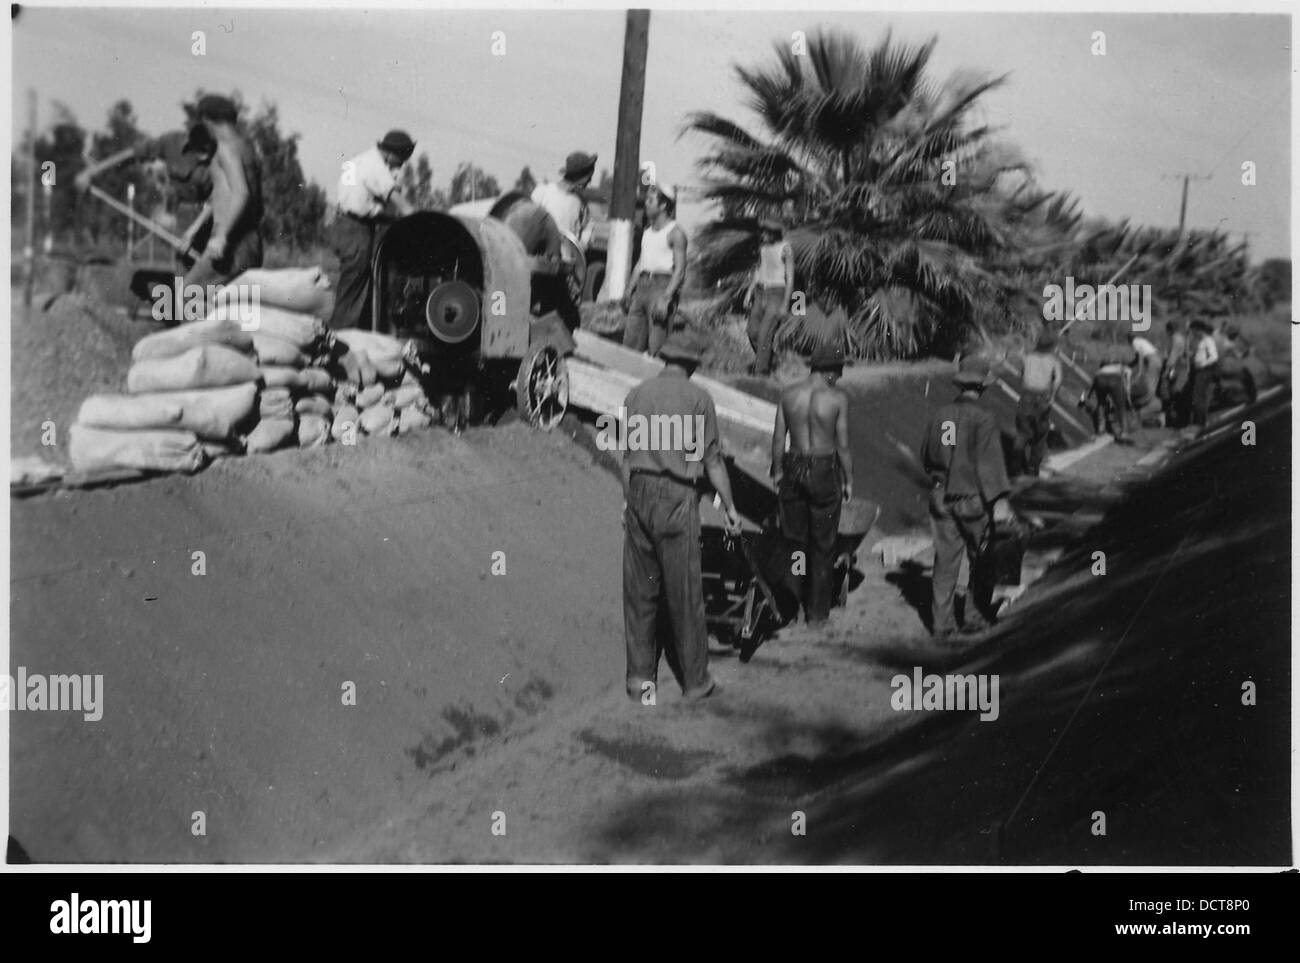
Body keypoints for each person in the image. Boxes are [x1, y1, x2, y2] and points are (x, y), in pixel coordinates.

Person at [621, 330, 741, 703]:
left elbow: (627, 459)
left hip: (640, 489)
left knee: (640, 591)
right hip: (677, 496)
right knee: (685, 593)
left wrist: (629, 503)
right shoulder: (698, 398)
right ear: (690, 364)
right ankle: (695, 682)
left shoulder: (636, 394)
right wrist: (731, 508)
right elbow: (713, 461)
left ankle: (640, 680)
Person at [920, 355, 1014, 640]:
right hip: (972, 498)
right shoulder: (983, 418)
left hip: (941, 495)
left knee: (945, 561)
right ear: (983, 387)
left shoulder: (940, 415)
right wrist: (1000, 502)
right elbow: (990, 465)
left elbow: (926, 456)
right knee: (982, 558)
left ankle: (941, 625)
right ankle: (973, 617)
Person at [771, 342, 853, 625]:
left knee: (794, 542)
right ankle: (816, 615)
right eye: (839, 370)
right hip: (823, 468)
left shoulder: (788, 394)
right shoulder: (837, 398)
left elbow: (779, 439)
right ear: (829, 370)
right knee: (823, 545)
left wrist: (777, 471)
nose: (840, 376)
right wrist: (848, 479)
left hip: (793, 465)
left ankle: (790, 609)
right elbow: (842, 445)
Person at [329, 130, 416, 329]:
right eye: (401, 159)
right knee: (355, 285)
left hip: (345, 223)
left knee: (354, 283)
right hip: (355, 228)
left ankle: (347, 331)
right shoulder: (375, 167)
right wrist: (417, 217)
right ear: (392, 153)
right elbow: (398, 201)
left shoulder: (360, 160)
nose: (401, 165)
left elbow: (359, 198)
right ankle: (342, 334)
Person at [183, 95, 264, 291]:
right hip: (249, 243)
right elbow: (223, 195)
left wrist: (221, 237)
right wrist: (193, 230)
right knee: (221, 307)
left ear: (207, 120)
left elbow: (241, 193)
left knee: (185, 297)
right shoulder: (246, 147)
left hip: (234, 245)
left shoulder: (225, 149)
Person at [530, 151, 596, 331]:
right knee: (530, 311)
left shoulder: (580, 202)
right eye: (589, 177)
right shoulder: (543, 193)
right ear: (580, 176)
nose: (590, 182)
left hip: (563, 271)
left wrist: (582, 242)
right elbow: (528, 223)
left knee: (559, 317)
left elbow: (589, 226)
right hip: (538, 266)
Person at [621, 184, 687, 356]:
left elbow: (680, 271)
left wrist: (666, 298)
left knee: (656, 346)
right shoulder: (647, 232)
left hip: (661, 288)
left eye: (651, 201)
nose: (646, 204)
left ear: (663, 205)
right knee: (630, 344)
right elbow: (641, 263)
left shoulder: (676, 233)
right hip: (642, 287)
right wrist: (629, 290)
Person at [744, 218, 794, 376]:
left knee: (765, 333)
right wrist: (749, 292)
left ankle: (760, 372)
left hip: (777, 293)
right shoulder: (763, 248)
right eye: (762, 231)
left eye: (766, 232)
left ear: (773, 234)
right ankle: (769, 358)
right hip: (760, 292)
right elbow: (759, 271)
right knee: (752, 330)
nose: (763, 234)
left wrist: (786, 304)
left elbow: (790, 278)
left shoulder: (786, 248)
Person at [1016, 329, 1063, 475]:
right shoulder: (1054, 360)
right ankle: (1032, 467)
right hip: (1043, 396)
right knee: (1041, 433)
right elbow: (1058, 380)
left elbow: (1021, 375)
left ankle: (1016, 465)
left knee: (1022, 431)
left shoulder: (1028, 357)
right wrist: (1053, 395)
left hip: (1027, 395)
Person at [1187, 319, 1220, 429]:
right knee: (1198, 397)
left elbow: (1214, 356)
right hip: (1200, 371)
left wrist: (1203, 363)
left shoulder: (1207, 340)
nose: (1192, 333)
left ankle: (1201, 423)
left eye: (1193, 331)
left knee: (1199, 397)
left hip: (1205, 371)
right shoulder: (1201, 341)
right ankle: (1200, 422)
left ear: (1197, 330)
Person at [1159, 320, 1192, 427]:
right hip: (1179, 366)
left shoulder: (1175, 339)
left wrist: (1167, 370)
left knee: (1166, 391)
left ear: (1169, 329)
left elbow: (1172, 356)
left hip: (1174, 367)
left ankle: (1169, 419)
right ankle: (1172, 418)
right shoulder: (1180, 338)